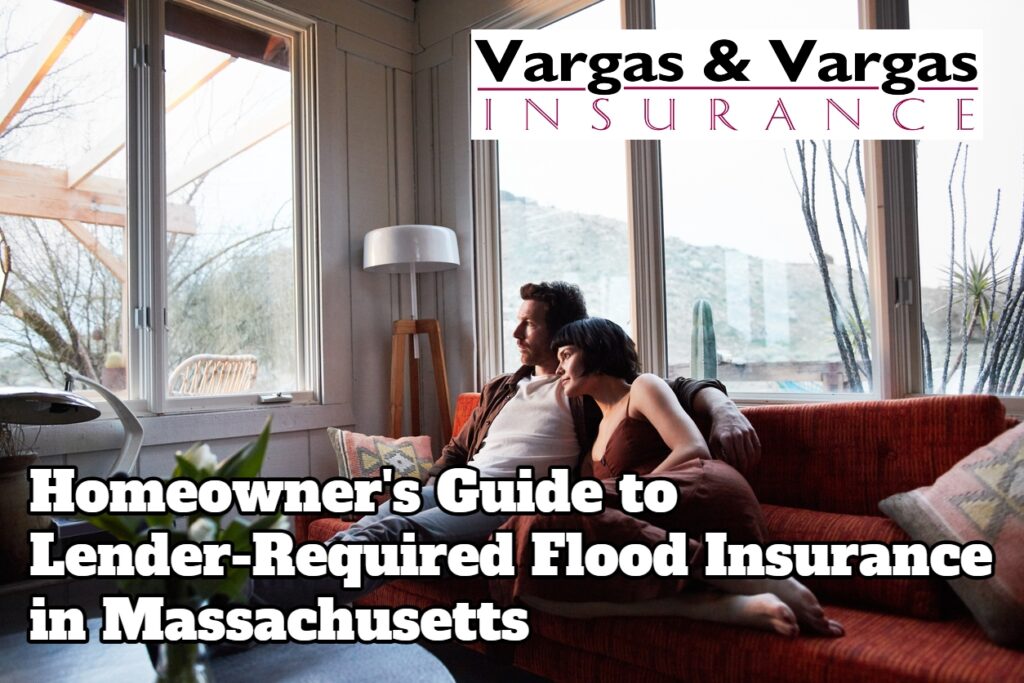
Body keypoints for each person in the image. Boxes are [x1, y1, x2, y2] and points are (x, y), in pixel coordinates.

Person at [255, 282, 760, 607]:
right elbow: (456, 452)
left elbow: (673, 387)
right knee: (376, 520)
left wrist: (725, 407)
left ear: (565, 333)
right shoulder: (504, 387)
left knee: (394, 535)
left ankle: (259, 604)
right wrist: (420, 485)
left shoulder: (586, 389)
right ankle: (279, 593)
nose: (517, 330)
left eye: (530, 323)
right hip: (458, 487)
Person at [492, 317, 843, 637]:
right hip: (662, 528)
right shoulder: (593, 438)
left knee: (548, 511)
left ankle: (752, 577)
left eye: (567, 354)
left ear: (596, 350)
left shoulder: (642, 389)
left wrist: (631, 498)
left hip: (697, 489)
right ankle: (706, 605)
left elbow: (692, 448)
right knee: (517, 561)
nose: (560, 367)